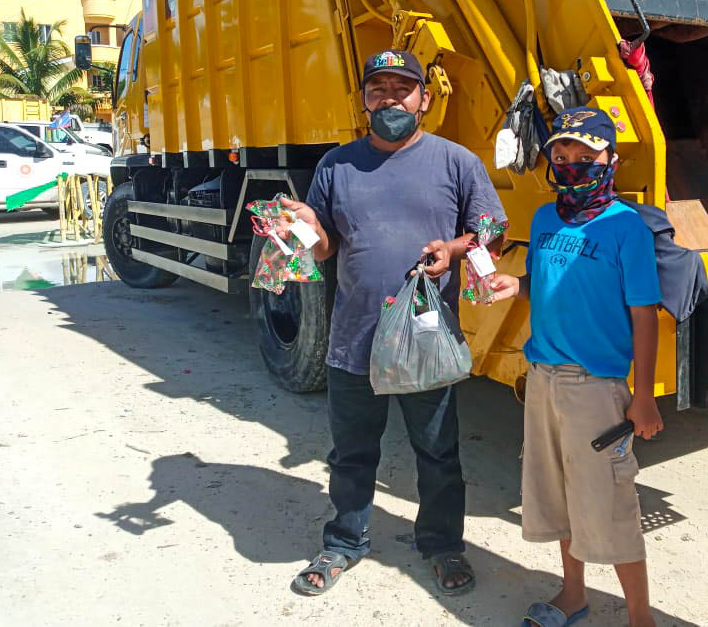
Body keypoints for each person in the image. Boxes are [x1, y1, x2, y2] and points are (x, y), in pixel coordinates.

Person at [281, 49, 507, 597]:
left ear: (424, 99)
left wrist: (453, 249)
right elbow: (325, 249)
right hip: (353, 339)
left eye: (402, 88)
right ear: (362, 99)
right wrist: (306, 226)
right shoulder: (335, 165)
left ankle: (443, 546)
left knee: (438, 453)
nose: (390, 98)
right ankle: (343, 543)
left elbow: (491, 231)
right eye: (377, 88)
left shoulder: (456, 162)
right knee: (351, 454)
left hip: (425, 340)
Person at [490, 106, 664, 627]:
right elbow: (546, 284)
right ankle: (573, 594)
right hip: (542, 380)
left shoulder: (626, 227)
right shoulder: (545, 219)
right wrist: (515, 285)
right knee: (558, 495)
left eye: (586, 154)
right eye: (561, 154)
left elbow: (644, 315)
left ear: (611, 160)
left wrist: (644, 395)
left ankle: (641, 617)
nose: (571, 164)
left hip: (595, 388)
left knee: (611, 503)